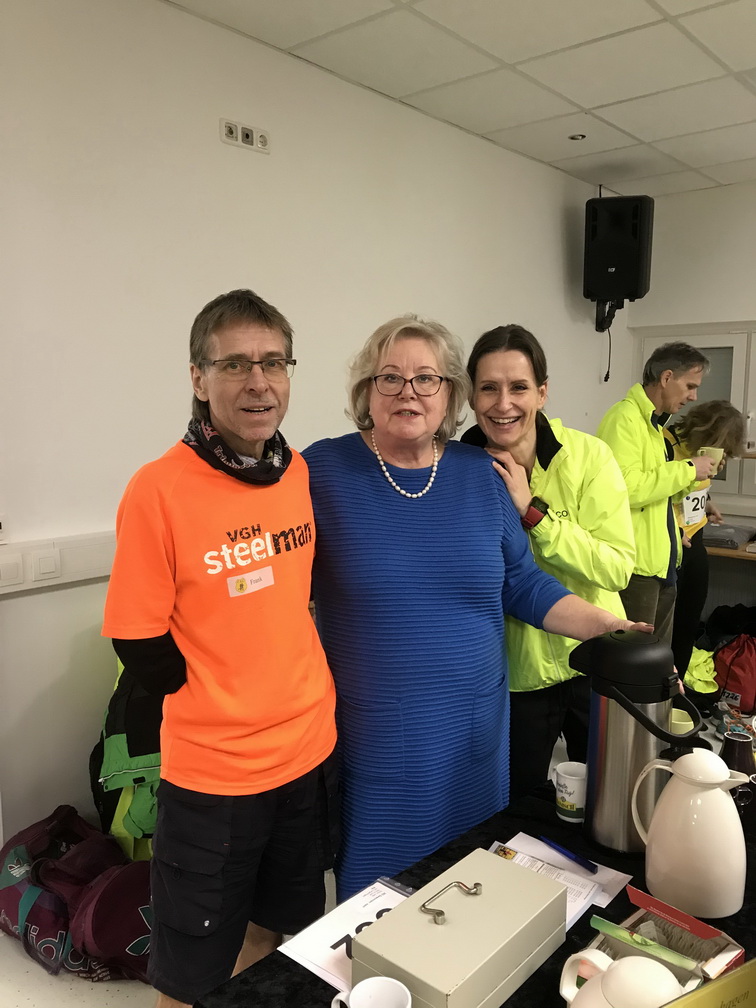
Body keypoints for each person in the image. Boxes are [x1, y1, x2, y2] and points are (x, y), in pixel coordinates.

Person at [303, 315, 649, 900]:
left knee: (472, 889)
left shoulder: (482, 473)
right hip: (378, 734)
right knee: (379, 898)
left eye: (426, 378)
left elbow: (525, 584)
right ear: (366, 391)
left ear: (450, 395)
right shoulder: (322, 472)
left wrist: (611, 627)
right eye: (390, 377)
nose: (409, 392)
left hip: (475, 732)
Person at [102, 289, 337, 1008]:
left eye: (273, 362)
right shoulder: (158, 490)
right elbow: (136, 636)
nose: (258, 381)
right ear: (199, 379)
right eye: (235, 363)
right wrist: (216, 695)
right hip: (215, 782)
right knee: (189, 975)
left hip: (307, 754)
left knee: (276, 935)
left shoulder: (296, 472)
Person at [461, 324, 635, 799]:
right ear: (471, 396)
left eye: (518, 387)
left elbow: (616, 567)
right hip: (517, 676)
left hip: (593, 659)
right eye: (488, 388)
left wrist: (534, 513)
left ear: (542, 392)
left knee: (607, 800)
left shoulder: (589, 456)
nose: (503, 404)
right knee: (516, 809)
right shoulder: (458, 468)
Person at [597, 341, 716, 645]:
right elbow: (626, 488)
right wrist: (687, 469)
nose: (694, 397)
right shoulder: (624, 418)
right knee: (632, 661)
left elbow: (655, 493)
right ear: (666, 377)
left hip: (662, 564)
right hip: (636, 569)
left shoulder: (653, 426)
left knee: (656, 660)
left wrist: (693, 480)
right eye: (690, 386)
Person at [664, 400, 746, 696]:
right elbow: (656, 493)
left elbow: (692, 492)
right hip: (669, 545)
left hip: (695, 540)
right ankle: (657, 696)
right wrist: (674, 532)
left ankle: (678, 696)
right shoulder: (666, 444)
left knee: (688, 624)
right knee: (665, 629)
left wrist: (707, 503)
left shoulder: (704, 454)